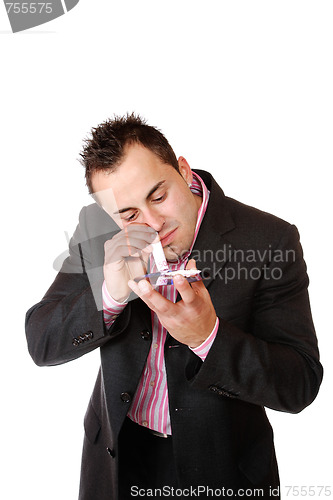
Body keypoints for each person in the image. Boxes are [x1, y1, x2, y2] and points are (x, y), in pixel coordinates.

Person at [25, 114, 323, 500]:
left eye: (159, 195)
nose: (152, 223)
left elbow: (299, 384)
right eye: (129, 214)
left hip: (222, 469)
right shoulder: (97, 228)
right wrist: (110, 294)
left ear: (182, 170)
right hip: (116, 461)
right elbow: (41, 341)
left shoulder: (270, 239)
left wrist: (208, 338)